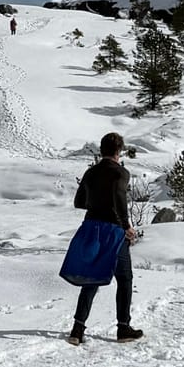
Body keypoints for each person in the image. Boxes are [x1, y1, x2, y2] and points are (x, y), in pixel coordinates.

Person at [62, 131, 142, 344]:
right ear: (119, 151)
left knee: (92, 275)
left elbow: (79, 202)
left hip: (91, 227)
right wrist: (126, 225)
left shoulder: (91, 172)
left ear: (102, 149)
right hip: (113, 230)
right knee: (125, 278)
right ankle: (123, 328)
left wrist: (97, 203)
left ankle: (77, 330)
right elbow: (119, 197)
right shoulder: (120, 173)